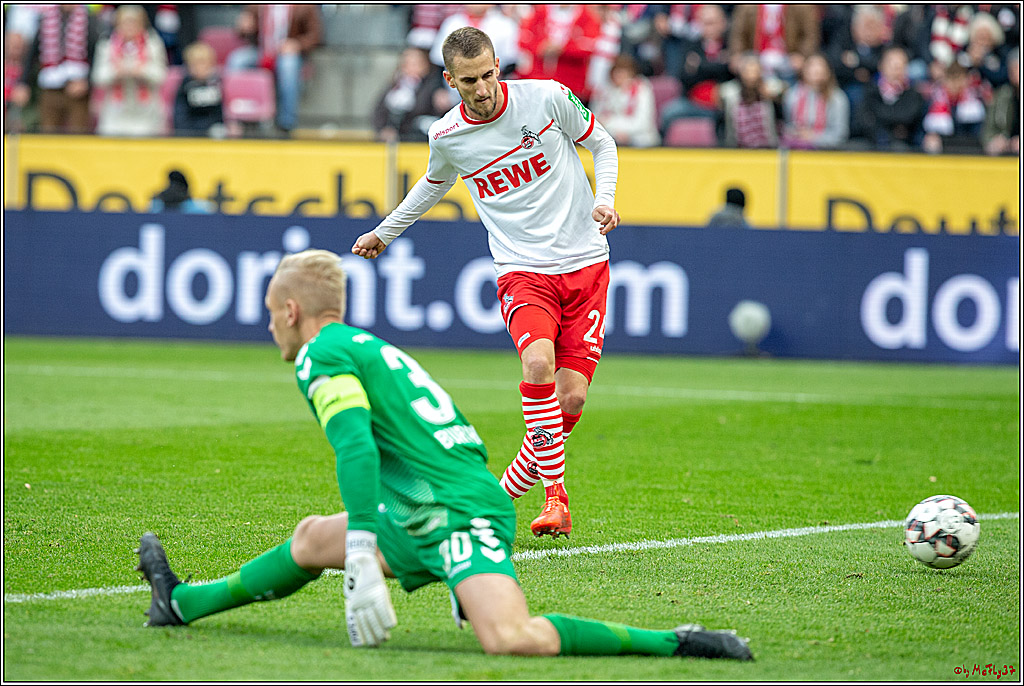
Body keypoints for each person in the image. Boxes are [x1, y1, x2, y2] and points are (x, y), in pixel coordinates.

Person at [135, 248, 754, 662]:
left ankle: (677, 642)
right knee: (308, 541)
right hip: (432, 502)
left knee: (510, 639)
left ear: (291, 312)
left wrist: (361, 554)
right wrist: (368, 537)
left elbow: (354, 446)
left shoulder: (320, 356)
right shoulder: (363, 346)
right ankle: (180, 603)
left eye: (272, 314)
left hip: (460, 512)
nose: (270, 326)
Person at [351, 27, 619, 540]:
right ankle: (555, 499)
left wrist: (603, 198)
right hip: (522, 269)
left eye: (489, 74)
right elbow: (431, 187)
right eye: (469, 80)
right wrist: (384, 233)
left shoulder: (546, 98)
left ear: (500, 65)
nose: (482, 88)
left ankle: (496, 496)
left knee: (572, 402)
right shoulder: (447, 136)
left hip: (586, 261)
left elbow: (602, 144)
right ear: (450, 80)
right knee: (537, 362)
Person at [225, 4, 322, 134]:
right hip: (261, 51)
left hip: (287, 54)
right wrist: (243, 27)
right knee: (236, 60)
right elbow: (242, 32)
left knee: (288, 65)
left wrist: (297, 44)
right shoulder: (256, 6)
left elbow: (315, 36)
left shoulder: (305, 6)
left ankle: (286, 123)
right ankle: (234, 118)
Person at [10, 4, 100, 134]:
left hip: (77, 88)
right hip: (50, 86)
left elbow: (95, 54)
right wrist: (23, 83)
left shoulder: (89, 19)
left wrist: (87, 82)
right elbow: (32, 53)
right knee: (48, 131)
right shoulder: (46, 18)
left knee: (78, 133)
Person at [91, 5, 168, 137]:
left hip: (146, 113)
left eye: (133, 22)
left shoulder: (153, 44)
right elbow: (98, 78)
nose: (129, 26)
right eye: (125, 22)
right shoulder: (107, 44)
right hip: (115, 113)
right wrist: (115, 72)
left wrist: (142, 71)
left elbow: (161, 76)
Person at [851, 46, 925, 151]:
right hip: (871, 140)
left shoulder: (913, 94)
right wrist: (891, 124)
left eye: (901, 65)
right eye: (892, 65)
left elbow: (907, 118)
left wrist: (877, 114)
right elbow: (862, 120)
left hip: (901, 145)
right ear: (881, 66)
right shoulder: (869, 91)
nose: (897, 70)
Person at [372, 46, 446, 143]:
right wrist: (383, 129)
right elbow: (379, 110)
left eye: (415, 63)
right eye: (407, 63)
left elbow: (422, 109)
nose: (410, 67)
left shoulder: (434, 85)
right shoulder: (395, 85)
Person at [589, 54, 661, 147]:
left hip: (641, 141)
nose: (619, 76)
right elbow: (595, 120)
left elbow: (643, 123)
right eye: (617, 72)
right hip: (609, 138)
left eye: (624, 72)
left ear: (632, 73)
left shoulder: (642, 89)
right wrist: (613, 132)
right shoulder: (604, 91)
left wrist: (611, 124)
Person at [782, 53, 849, 150]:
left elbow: (840, 135)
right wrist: (795, 133)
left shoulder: (837, 98)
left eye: (820, 66)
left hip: (827, 152)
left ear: (828, 72)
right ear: (804, 70)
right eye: (812, 65)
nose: (816, 70)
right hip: (796, 150)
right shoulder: (792, 95)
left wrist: (814, 137)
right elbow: (787, 125)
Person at [720, 52, 781, 149]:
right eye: (747, 71)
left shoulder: (768, 90)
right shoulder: (730, 92)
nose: (751, 76)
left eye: (755, 71)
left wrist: (769, 94)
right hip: (738, 149)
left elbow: (781, 89)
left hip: (767, 149)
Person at [173, 41, 226, 137]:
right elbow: (180, 116)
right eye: (195, 64)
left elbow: (219, 113)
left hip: (214, 133)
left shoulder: (216, 84)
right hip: (190, 134)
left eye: (203, 63)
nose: (199, 68)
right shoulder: (185, 87)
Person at [982, 47, 1019, 156]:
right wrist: (994, 141)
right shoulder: (1002, 94)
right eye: (1012, 68)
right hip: (1004, 155)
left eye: (1018, 67)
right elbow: (988, 129)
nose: (1015, 73)